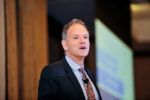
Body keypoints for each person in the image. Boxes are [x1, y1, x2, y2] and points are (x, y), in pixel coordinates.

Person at [38, 19, 102, 100]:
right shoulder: (51, 72)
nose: (83, 41)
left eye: (85, 37)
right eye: (76, 37)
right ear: (65, 45)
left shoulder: (90, 74)